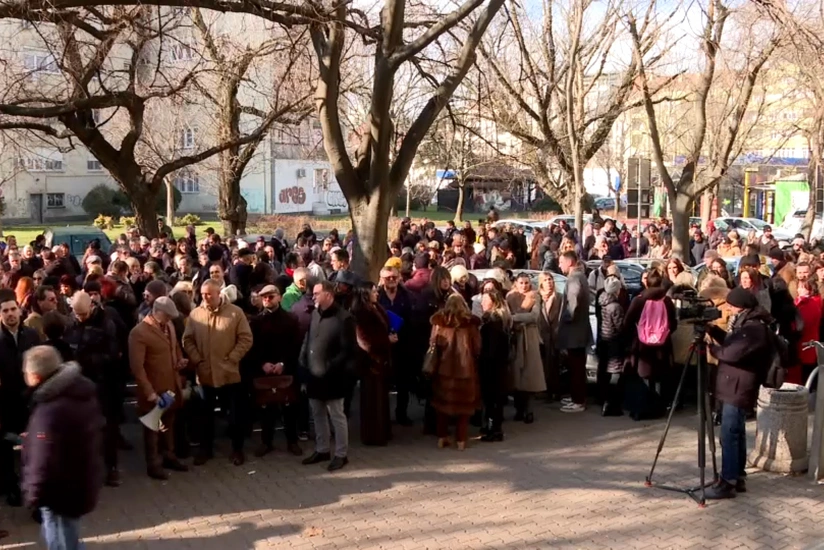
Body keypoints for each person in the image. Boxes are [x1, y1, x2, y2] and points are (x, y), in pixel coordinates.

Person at [22, 346, 103, 550]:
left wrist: (33, 493)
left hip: (58, 493)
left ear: (36, 375)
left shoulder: (49, 410)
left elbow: (43, 459)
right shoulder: (79, 391)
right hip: (79, 482)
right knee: (70, 537)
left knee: (61, 541)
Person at [704, 286, 775, 499]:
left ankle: (728, 482)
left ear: (742, 306)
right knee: (736, 433)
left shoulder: (754, 328)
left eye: (732, 305)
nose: (729, 309)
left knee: (730, 434)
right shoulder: (745, 324)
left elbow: (732, 353)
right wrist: (712, 330)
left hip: (738, 387)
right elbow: (732, 342)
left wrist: (712, 350)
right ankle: (737, 476)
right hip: (734, 385)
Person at [183, 279, 253, 466]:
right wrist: (197, 359)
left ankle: (237, 450)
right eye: (203, 294)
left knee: (234, 415)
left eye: (209, 294)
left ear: (218, 293)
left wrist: (232, 358)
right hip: (205, 374)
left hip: (229, 373)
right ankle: (206, 449)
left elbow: (246, 338)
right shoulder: (195, 315)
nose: (205, 297)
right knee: (205, 415)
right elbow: (187, 340)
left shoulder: (235, 313)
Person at [64, 291, 121, 487]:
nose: (80, 317)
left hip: (102, 382)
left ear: (92, 306)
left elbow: (113, 355)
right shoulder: (69, 322)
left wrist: (90, 361)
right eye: (77, 314)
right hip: (77, 383)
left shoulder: (106, 323)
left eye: (83, 314)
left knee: (107, 426)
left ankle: (111, 466)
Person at [128, 297, 189, 480]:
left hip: (170, 386)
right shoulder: (139, 333)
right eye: (168, 316)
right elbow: (137, 368)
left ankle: (169, 456)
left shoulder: (168, 326)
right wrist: (149, 393)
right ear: (157, 312)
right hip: (153, 390)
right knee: (152, 428)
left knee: (168, 424)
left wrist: (179, 360)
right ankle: (153, 464)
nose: (170, 320)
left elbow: (175, 346)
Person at [299, 280, 356, 471]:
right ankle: (322, 449)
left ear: (328, 295)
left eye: (316, 293)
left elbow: (347, 350)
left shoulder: (344, 318)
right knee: (317, 413)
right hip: (313, 374)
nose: (313, 296)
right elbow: (309, 339)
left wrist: (329, 366)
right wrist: (303, 360)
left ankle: (341, 453)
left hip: (333, 377)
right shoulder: (315, 314)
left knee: (336, 415)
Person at [247, 285, 303, 458]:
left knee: (289, 407)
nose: (266, 300)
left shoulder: (291, 320)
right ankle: (266, 442)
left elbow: (296, 346)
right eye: (263, 297)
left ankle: (292, 441)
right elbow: (251, 348)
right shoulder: (255, 322)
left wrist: (283, 364)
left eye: (270, 297)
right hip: (264, 371)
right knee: (266, 409)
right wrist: (262, 364)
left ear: (279, 297)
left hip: (286, 370)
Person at [0, 288, 40, 507]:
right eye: (5, 311)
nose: (10, 314)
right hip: (6, 404)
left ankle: (31, 488)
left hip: (30, 403)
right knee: (6, 449)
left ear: (20, 311)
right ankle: (11, 487)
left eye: (13, 309)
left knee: (32, 448)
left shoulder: (32, 336)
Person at [623, 269, 678, 421]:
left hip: (642, 346)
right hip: (662, 346)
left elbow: (627, 322)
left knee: (643, 377)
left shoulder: (639, 300)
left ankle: (641, 409)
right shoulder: (666, 301)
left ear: (646, 282)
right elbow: (673, 323)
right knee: (659, 376)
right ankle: (658, 408)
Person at [429, 294, 481, 450]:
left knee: (442, 406)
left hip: (444, 369)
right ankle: (461, 441)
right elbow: (477, 347)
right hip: (466, 370)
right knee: (464, 408)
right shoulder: (470, 323)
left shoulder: (439, 322)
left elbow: (433, 343)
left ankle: (442, 437)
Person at [351, 283, 393, 446]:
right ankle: (373, 435)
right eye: (374, 291)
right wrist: (385, 341)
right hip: (371, 362)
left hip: (381, 360)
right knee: (372, 400)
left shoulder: (376, 308)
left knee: (381, 398)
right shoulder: (361, 313)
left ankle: (383, 431)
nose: (377, 293)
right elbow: (364, 341)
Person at [378, 266, 416, 426]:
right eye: (388, 278)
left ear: (399, 277)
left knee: (403, 383)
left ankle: (402, 413)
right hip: (383, 346)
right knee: (383, 384)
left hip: (404, 345)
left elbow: (413, 320)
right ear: (382, 279)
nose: (392, 280)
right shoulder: (377, 297)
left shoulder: (407, 296)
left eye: (394, 277)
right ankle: (382, 416)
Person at [506, 274, 546, 423]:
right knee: (516, 375)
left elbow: (534, 316)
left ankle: (529, 410)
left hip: (530, 337)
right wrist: (519, 317)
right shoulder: (510, 297)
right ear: (516, 283)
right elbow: (506, 314)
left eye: (527, 283)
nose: (524, 286)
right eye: (521, 283)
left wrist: (515, 317)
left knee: (530, 375)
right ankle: (518, 409)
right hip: (515, 337)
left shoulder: (534, 296)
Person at [557, 252, 592, 413]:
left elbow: (573, 301)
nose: (559, 265)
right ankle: (576, 397)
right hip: (579, 330)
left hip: (574, 332)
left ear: (569, 262)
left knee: (576, 367)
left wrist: (566, 318)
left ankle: (578, 400)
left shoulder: (574, 278)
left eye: (561, 262)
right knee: (577, 366)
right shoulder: (581, 276)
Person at [478, 289, 511, 442]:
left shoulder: (493, 322)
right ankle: (492, 427)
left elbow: (491, 349)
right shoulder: (497, 319)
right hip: (498, 366)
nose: (482, 303)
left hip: (492, 367)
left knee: (492, 399)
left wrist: (484, 362)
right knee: (494, 400)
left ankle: (494, 430)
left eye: (486, 300)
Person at [598, 276, 627, 416]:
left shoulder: (603, 303)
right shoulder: (615, 306)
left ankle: (605, 400)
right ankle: (610, 404)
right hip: (614, 342)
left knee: (607, 372)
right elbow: (621, 326)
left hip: (605, 339)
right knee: (615, 373)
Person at [537, 272, 562, 401]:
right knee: (543, 364)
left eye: (550, 279)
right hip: (542, 336)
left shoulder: (559, 298)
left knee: (554, 364)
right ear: (541, 283)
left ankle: (555, 391)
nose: (549, 282)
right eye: (546, 280)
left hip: (555, 336)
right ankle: (544, 391)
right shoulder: (538, 298)